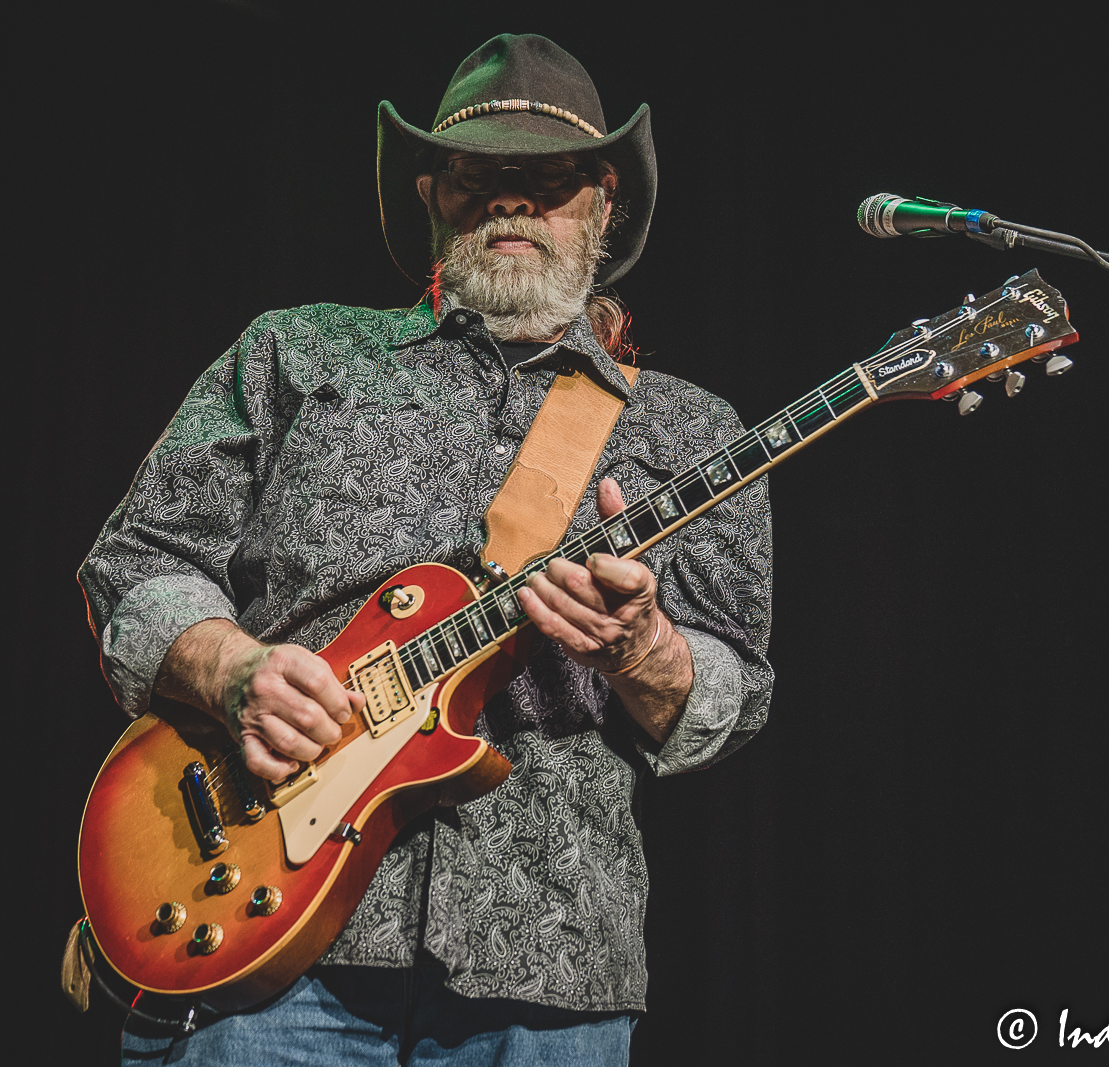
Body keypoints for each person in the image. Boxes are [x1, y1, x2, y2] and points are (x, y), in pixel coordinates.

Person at [80, 34, 773, 1065]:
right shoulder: (296, 352)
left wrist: (644, 649)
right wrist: (236, 671)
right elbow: (134, 558)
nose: (513, 202)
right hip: (260, 959)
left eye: (549, 180)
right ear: (430, 192)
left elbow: (733, 693)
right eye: (478, 174)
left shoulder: (694, 431)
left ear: (606, 202)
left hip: (547, 970)